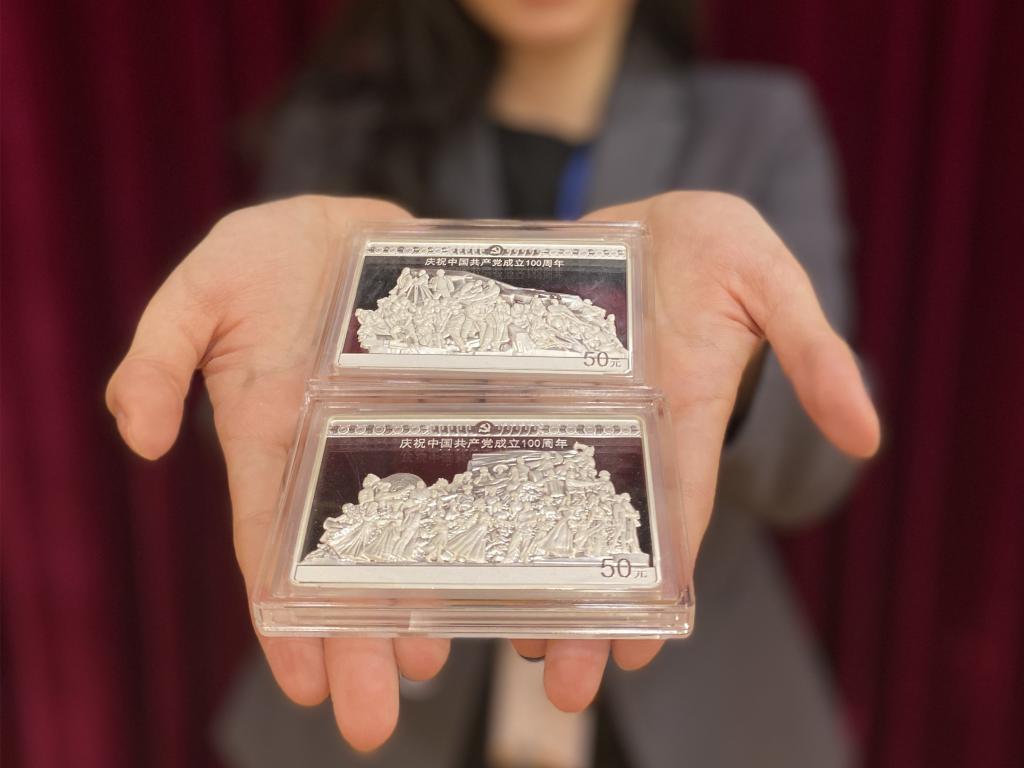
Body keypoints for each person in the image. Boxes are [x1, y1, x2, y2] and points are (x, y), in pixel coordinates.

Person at [105, 1, 880, 766]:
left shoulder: (757, 122)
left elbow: (819, 457)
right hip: (385, 691)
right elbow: (255, 419)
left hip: (692, 709)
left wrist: (742, 369)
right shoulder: (338, 125)